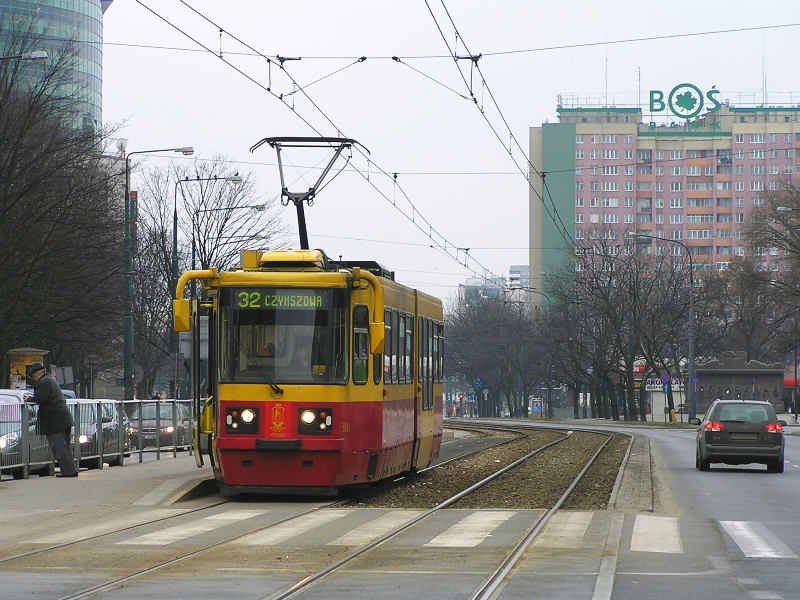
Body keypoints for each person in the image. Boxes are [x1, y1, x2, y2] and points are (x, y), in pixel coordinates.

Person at [25, 362, 78, 477]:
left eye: (33, 376)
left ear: (38, 373)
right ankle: (71, 470)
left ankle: (68, 472)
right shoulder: (49, 380)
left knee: (59, 448)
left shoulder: (44, 382)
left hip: (55, 421)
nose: (34, 379)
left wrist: (29, 398)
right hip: (62, 418)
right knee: (66, 447)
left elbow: (40, 398)